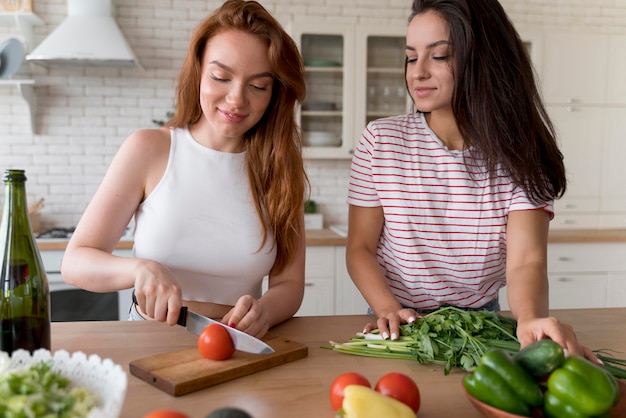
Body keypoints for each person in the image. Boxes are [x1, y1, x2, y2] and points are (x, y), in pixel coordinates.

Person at [346, 0, 597, 360]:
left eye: (439, 55)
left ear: (483, 59)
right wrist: (386, 307)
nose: (417, 72)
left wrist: (529, 318)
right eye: (411, 57)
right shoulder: (381, 140)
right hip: (396, 320)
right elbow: (360, 248)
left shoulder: (523, 155)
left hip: (482, 326)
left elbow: (526, 261)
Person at [61, 0, 308, 339]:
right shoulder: (149, 149)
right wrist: (140, 269)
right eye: (221, 77)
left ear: (274, 92)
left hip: (235, 344)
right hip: (149, 341)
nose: (237, 99)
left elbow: (290, 283)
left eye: (258, 86)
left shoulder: (280, 167)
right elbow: (75, 262)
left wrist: (265, 310)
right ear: (198, 72)